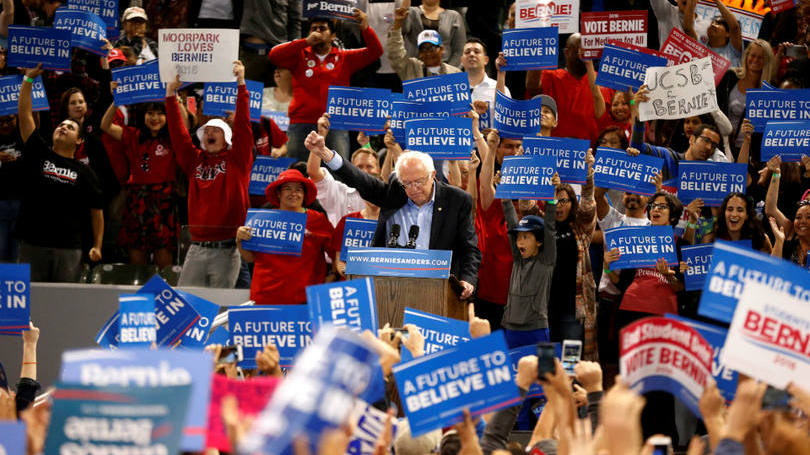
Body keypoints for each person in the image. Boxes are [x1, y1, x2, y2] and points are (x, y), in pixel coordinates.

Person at [305, 133, 481, 299]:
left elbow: (469, 248)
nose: (413, 189)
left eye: (419, 182)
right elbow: (360, 179)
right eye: (407, 183)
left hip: (438, 288)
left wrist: (468, 280)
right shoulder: (395, 192)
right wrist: (325, 153)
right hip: (391, 287)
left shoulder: (456, 200)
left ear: (433, 175)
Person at [12, 65, 104, 282]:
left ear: (79, 140)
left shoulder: (86, 172)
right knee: (30, 302)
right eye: (61, 125)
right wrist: (28, 81)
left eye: (70, 128)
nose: (63, 128)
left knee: (63, 303)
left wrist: (97, 246)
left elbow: (97, 212)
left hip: (68, 248)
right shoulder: (39, 152)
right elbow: (25, 115)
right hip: (32, 243)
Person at [165, 61, 253, 288]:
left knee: (219, 309)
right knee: (186, 304)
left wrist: (241, 84)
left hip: (227, 250)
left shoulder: (238, 160)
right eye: (207, 131)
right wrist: (170, 94)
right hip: (196, 249)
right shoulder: (194, 160)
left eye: (217, 131)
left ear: (227, 138)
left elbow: (243, 126)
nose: (210, 133)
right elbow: (178, 134)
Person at [268, 12, 383, 161]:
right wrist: (305, 42)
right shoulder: (299, 55)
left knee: (337, 174)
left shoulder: (345, 57)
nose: (317, 32)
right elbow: (274, 55)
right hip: (301, 123)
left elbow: (376, 52)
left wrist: (365, 27)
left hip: (334, 125)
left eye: (322, 29)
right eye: (313, 29)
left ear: (333, 35)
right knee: (298, 172)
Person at [100, 93, 177, 269]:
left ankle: (163, 295)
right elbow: (104, 125)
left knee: (164, 262)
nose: (155, 118)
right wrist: (117, 100)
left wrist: (173, 94)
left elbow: (186, 125)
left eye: (160, 114)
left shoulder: (173, 137)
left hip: (164, 205)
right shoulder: (132, 135)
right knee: (136, 262)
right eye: (150, 113)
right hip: (137, 203)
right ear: (143, 116)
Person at [236, 169, 334, 304]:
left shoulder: (318, 220)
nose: (294, 193)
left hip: (306, 299)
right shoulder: (262, 219)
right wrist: (239, 240)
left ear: (304, 195)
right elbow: (250, 258)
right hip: (266, 297)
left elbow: (336, 253)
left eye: (299, 190)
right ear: (278, 194)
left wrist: (332, 276)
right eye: (288, 188)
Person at [548, 153, 597, 357]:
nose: (559, 205)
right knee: (547, 357)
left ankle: (572, 388)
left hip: (573, 306)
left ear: (571, 203)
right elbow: (526, 206)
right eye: (555, 201)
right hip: (545, 305)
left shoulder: (581, 228)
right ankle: (548, 388)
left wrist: (588, 173)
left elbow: (588, 204)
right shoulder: (542, 227)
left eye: (564, 201)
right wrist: (550, 191)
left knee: (570, 358)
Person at [500, 195, 557, 349]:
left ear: (539, 241)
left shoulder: (546, 261)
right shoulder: (518, 259)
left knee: (542, 372)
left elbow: (550, 228)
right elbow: (511, 223)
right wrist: (505, 199)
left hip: (536, 330)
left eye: (526, 237)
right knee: (513, 372)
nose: (519, 242)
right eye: (518, 237)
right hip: (510, 329)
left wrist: (552, 200)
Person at [307, 113, 380, 226]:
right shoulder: (339, 192)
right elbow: (314, 173)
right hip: (340, 242)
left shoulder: (386, 195)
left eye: (369, 167)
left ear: (379, 170)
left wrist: (366, 145)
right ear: (351, 170)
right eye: (359, 167)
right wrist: (321, 135)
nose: (364, 171)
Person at [530, 34, 599, 142]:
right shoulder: (551, 76)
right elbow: (532, 87)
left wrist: (632, 101)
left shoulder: (599, 81)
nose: (581, 55)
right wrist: (538, 54)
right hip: (554, 151)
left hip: (590, 154)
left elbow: (628, 105)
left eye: (585, 51)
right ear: (566, 52)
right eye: (577, 50)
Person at [716, 40, 776, 154]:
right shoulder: (730, 77)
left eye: (760, 57)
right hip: (721, 145)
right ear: (746, 55)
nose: (755, 60)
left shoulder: (770, 90)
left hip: (749, 150)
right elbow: (715, 107)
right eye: (753, 55)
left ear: (767, 61)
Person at [388, 8, 461, 81]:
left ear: (442, 49)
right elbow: (395, 53)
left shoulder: (455, 73)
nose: (428, 53)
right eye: (423, 49)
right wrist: (397, 24)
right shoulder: (411, 68)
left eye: (432, 48)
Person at [239, 0, 301, 85]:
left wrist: (294, 52)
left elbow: (295, 20)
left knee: (275, 97)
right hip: (250, 53)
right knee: (246, 95)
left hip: (279, 55)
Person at [398, 0, 467, 67]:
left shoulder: (454, 16)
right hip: (416, 68)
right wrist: (404, 11)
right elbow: (401, 32)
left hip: (447, 68)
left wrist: (449, 71)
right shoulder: (411, 12)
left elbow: (460, 50)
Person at [701, 1, 743, 67]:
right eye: (712, 22)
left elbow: (735, 28)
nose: (713, 25)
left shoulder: (733, 50)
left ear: (728, 33)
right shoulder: (699, 45)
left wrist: (717, 1)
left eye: (718, 23)